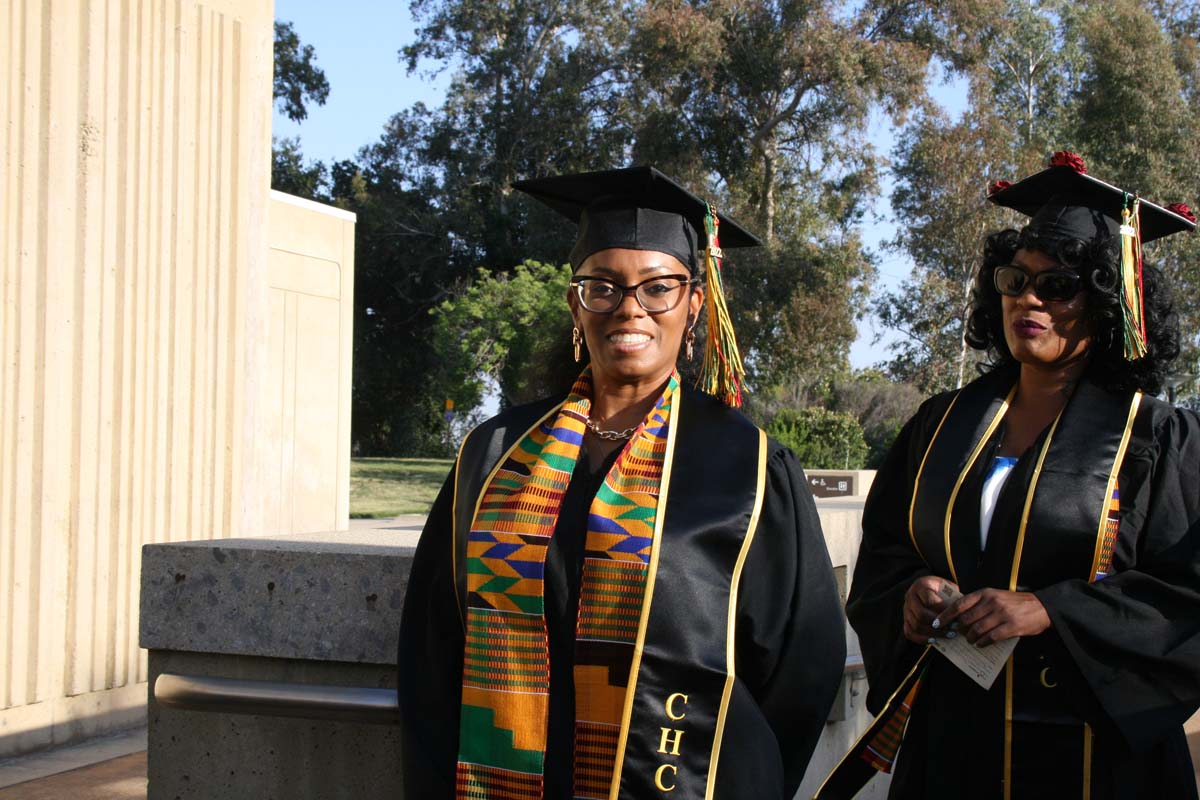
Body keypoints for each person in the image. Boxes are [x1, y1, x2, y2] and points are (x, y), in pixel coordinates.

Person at [398, 166, 845, 800]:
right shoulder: (495, 454)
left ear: (695, 304)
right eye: (601, 285)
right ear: (575, 304)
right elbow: (433, 647)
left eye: (658, 287)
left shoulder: (748, 465)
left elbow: (802, 665)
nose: (629, 307)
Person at [816, 153, 1200, 800]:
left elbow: (1186, 598)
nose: (1029, 298)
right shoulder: (942, 425)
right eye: (1015, 279)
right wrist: (909, 594)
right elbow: (885, 549)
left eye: (1059, 286)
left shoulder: (1157, 438)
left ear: (1110, 302)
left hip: (1092, 760)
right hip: (953, 745)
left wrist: (1050, 610)